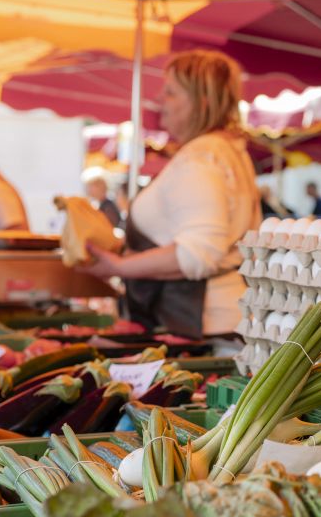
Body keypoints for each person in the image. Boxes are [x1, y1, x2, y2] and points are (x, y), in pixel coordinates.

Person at [82, 50, 259, 338]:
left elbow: (197, 255)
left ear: (201, 102)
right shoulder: (228, 151)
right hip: (220, 318)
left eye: (172, 93)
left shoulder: (200, 158)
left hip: (203, 323)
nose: (160, 102)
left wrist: (119, 266)